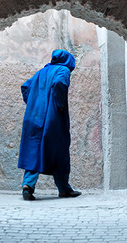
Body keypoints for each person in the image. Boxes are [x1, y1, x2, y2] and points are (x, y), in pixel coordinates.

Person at [18, 49, 82, 201]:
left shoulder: (42, 71)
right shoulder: (63, 69)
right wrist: (59, 104)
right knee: (59, 150)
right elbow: (60, 83)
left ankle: (28, 186)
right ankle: (64, 188)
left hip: (33, 116)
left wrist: (33, 102)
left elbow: (25, 86)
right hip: (52, 116)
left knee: (34, 150)